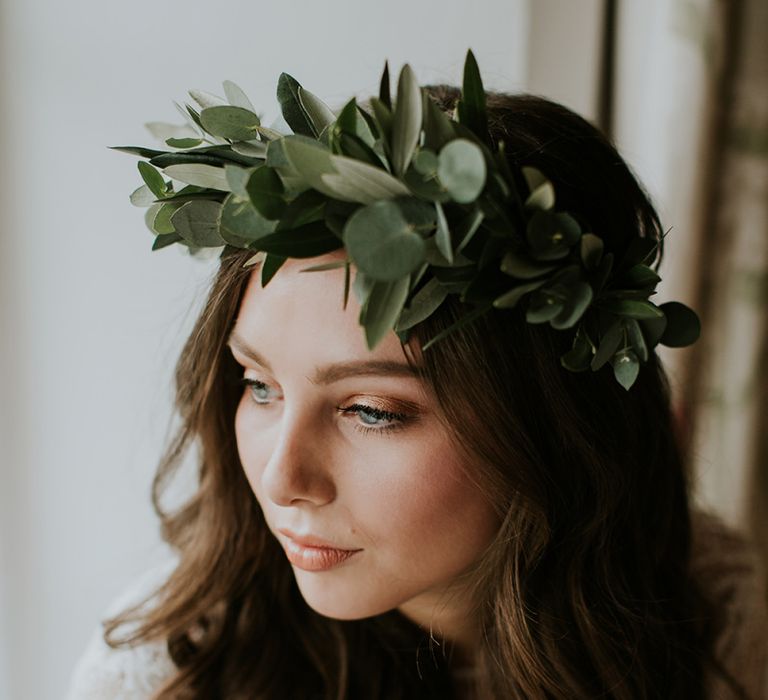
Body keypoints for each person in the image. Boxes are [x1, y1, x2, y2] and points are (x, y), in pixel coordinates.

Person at [68, 53, 768, 699]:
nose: (282, 480)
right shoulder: (167, 669)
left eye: (371, 411)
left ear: (553, 423)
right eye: (258, 385)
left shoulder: (729, 639)